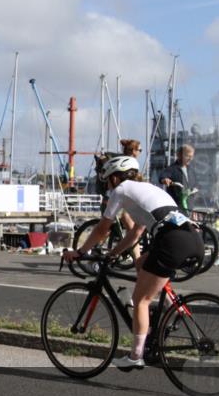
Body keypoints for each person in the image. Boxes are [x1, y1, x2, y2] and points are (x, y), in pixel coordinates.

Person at [63, 156, 204, 370]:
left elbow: (102, 229)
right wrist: (113, 253)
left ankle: (136, 355)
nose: (107, 184)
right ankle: (168, 307)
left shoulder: (120, 191)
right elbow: (136, 232)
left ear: (115, 177)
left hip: (171, 242)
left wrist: (80, 251)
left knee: (141, 300)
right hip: (193, 238)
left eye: (108, 179)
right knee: (141, 264)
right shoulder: (147, 189)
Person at [158, 144, 194, 212]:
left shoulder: (191, 170)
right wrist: (165, 180)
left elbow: (195, 184)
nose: (190, 159)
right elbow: (163, 176)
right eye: (188, 156)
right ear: (179, 155)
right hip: (177, 205)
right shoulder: (172, 168)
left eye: (191, 156)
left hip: (189, 206)